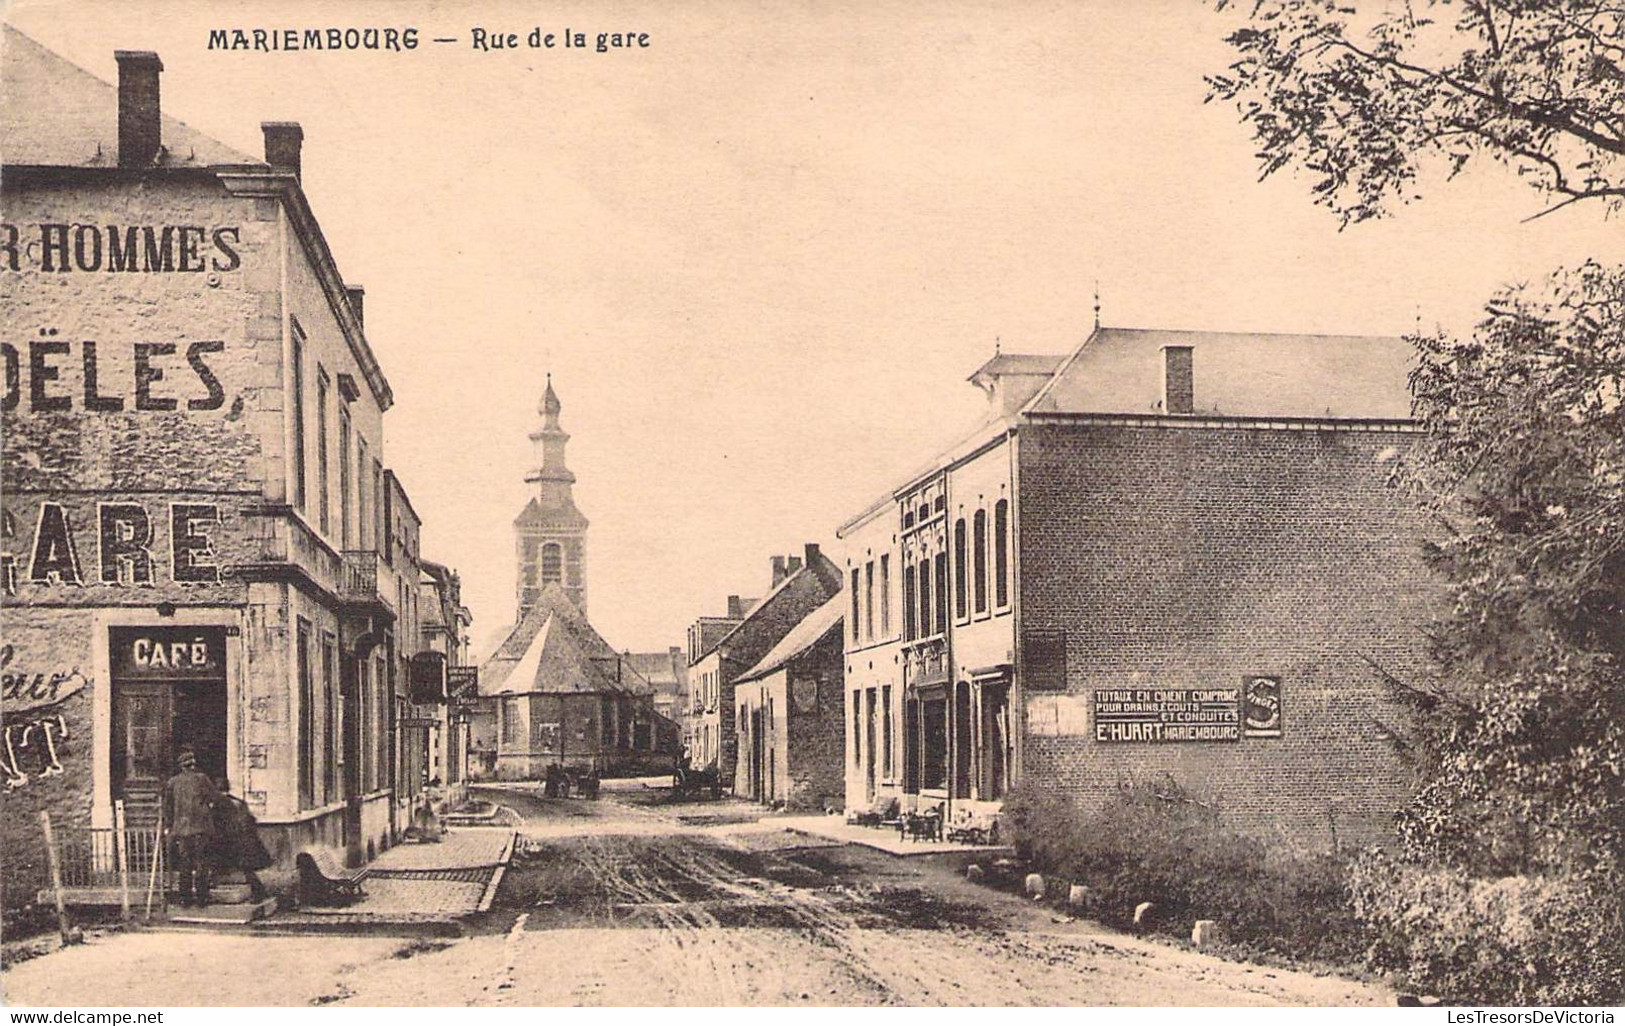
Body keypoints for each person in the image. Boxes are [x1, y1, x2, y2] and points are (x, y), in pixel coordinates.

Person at [162, 749, 220, 907]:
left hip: (181, 830)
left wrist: (169, 826)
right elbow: (214, 798)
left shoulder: (172, 782)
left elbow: (168, 808)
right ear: (193, 765)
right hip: (201, 829)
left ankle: (185, 899)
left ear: (181, 767)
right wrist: (209, 808)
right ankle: (202, 898)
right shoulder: (202, 779)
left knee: (185, 864)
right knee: (202, 863)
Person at [212, 777, 272, 902]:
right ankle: (260, 892)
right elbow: (251, 820)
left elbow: (218, 825)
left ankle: (259, 894)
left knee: (213, 860)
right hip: (246, 838)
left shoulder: (218, 803)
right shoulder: (239, 801)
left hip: (233, 840)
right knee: (247, 869)